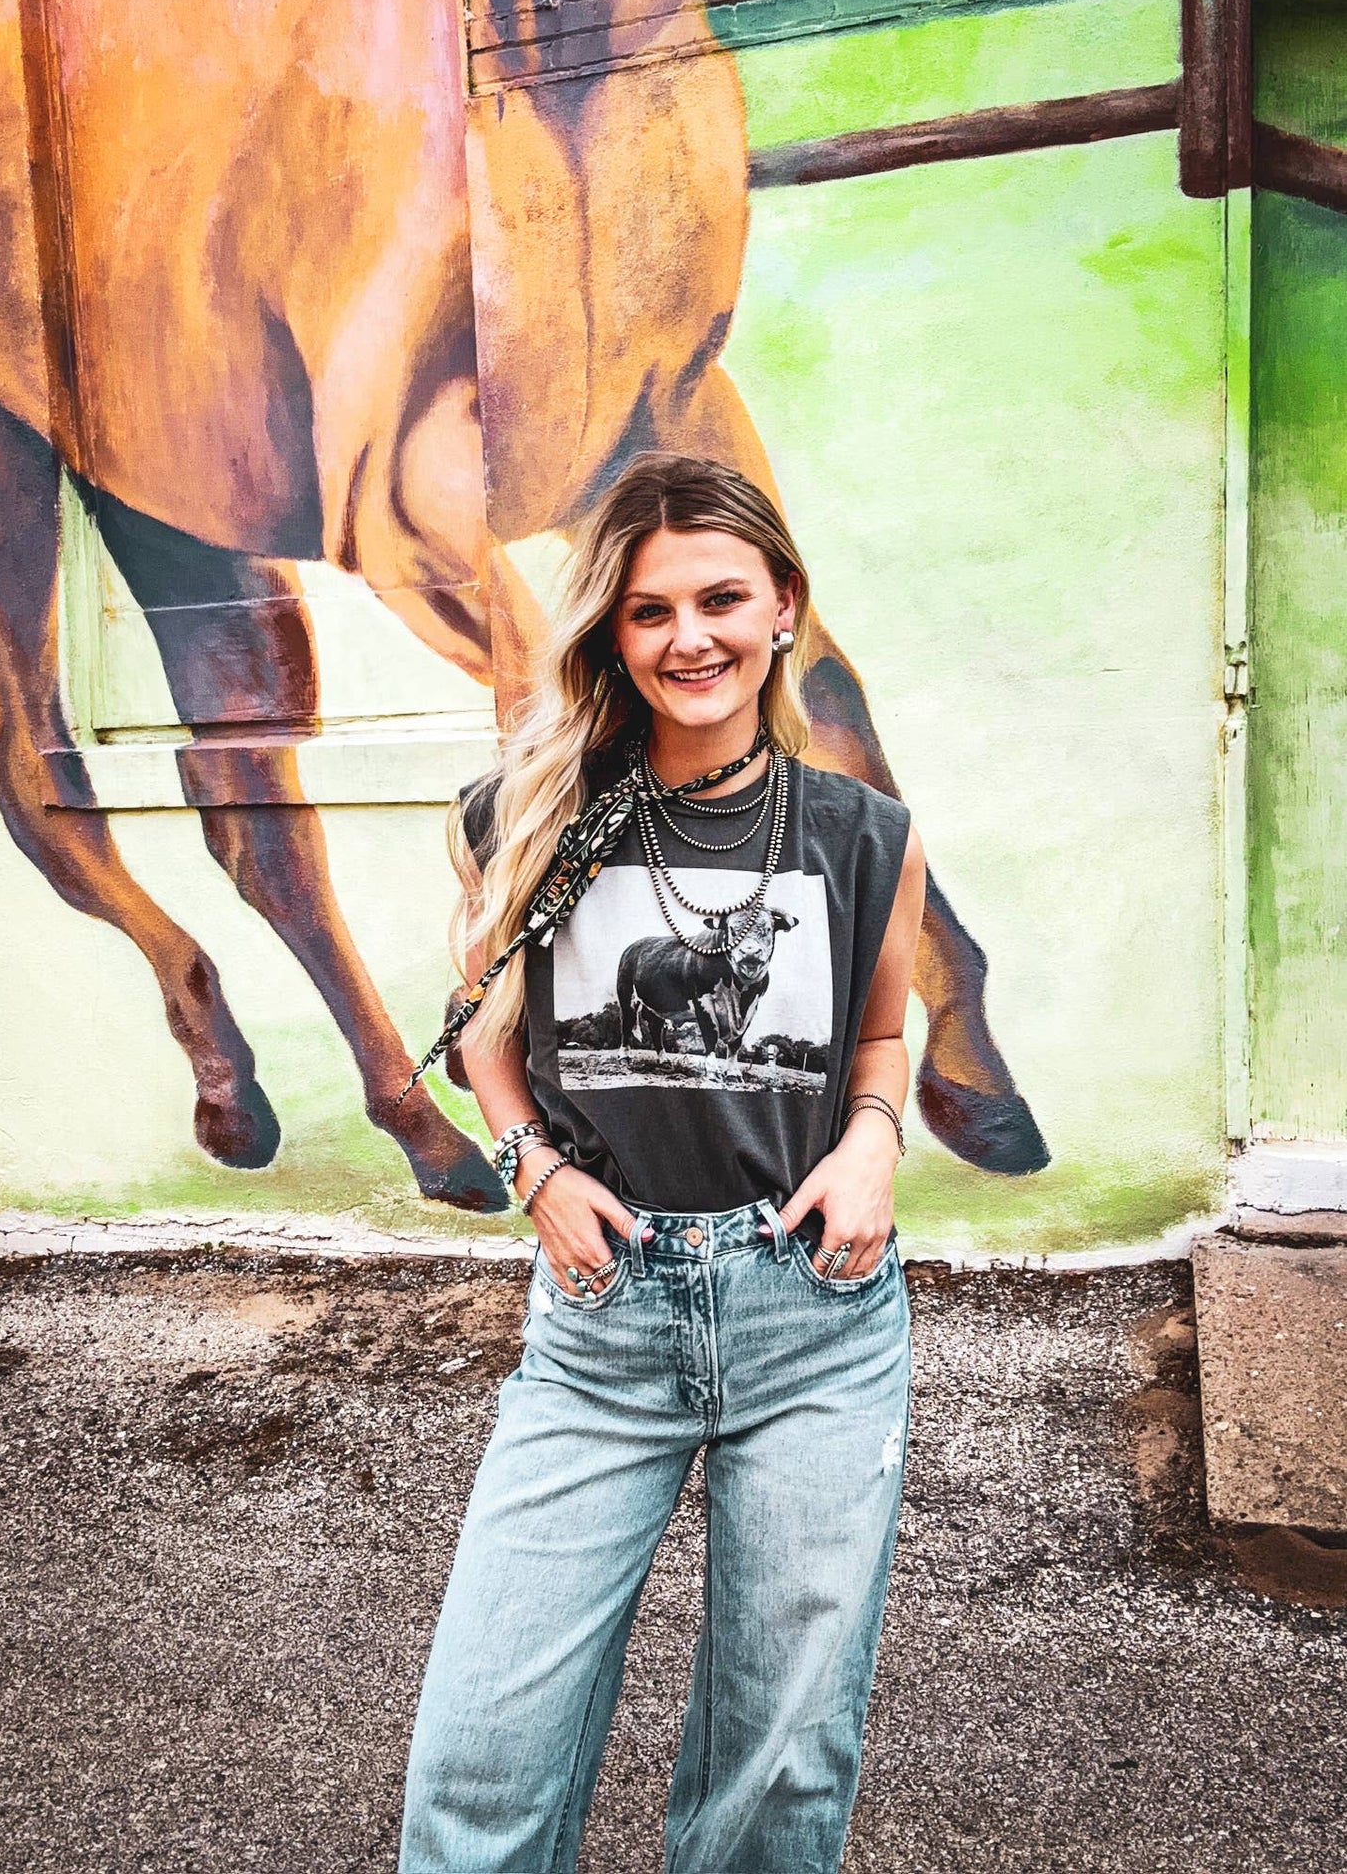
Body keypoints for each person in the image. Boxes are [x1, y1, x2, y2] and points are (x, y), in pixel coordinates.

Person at [397, 451, 927, 1874]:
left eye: (718, 599)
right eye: (646, 611)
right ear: (609, 636)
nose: (686, 636)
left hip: (810, 1306)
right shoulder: (528, 810)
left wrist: (873, 1143)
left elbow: (879, 1038)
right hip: (602, 1319)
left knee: (781, 1759)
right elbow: (480, 1030)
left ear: (780, 610)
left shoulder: (860, 835)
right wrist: (532, 1169)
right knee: (484, 1752)